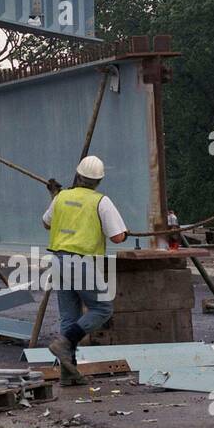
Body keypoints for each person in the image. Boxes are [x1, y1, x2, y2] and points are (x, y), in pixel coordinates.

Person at [41, 155, 128, 386]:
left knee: (69, 317)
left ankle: (68, 375)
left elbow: (46, 223)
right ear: (98, 181)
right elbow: (118, 237)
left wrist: (56, 198)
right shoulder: (101, 201)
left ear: (77, 175)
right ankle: (64, 343)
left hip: (58, 260)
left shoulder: (61, 197)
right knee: (102, 308)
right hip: (80, 262)